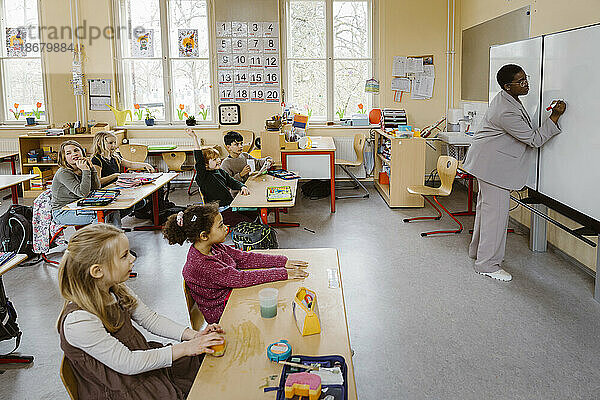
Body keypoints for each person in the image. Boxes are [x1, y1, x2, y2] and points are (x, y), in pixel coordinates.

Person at [57, 223, 225, 399]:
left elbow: (151, 320)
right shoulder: (78, 321)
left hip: (141, 368)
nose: (132, 259)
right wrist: (186, 348)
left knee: (205, 366)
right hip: (123, 387)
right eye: (124, 256)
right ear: (97, 271)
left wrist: (193, 336)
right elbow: (127, 363)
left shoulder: (115, 289)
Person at [463, 64, 566, 282]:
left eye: (525, 78)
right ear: (507, 87)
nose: (526, 83)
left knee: (487, 212)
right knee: (496, 216)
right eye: (520, 81)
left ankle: (477, 253)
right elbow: (534, 139)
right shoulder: (506, 110)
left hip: (487, 165)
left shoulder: (507, 99)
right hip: (493, 169)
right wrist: (555, 117)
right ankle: (487, 264)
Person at [162, 203, 309, 324]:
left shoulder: (212, 246)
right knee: (281, 304)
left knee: (279, 295)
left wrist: (283, 262)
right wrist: (283, 273)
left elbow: (244, 258)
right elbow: (240, 278)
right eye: (220, 226)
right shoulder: (203, 264)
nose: (226, 227)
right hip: (222, 312)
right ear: (204, 236)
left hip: (231, 295)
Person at [184, 128, 255, 227]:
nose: (218, 160)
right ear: (205, 165)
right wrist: (194, 138)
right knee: (249, 222)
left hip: (230, 206)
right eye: (214, 159)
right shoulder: (203, 176)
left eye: (218, 158)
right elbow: (199, 158)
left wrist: (242, 186)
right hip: (219, 211)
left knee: (254, 213)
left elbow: (233, 182)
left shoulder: (220, 171)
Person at [51, 140, 102, 226]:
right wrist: (86, 171)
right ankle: (100, 239)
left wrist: (91, 168)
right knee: (98, 216)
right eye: (68, 153)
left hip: (79, 206)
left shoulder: (81, 167)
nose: (74, 154)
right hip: (63, 211)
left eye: (76, 150)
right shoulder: (63, 173)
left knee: (111, 212)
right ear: (64, 158)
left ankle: (116, 237)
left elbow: (96, 188)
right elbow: (82, 193)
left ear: (82, 152)